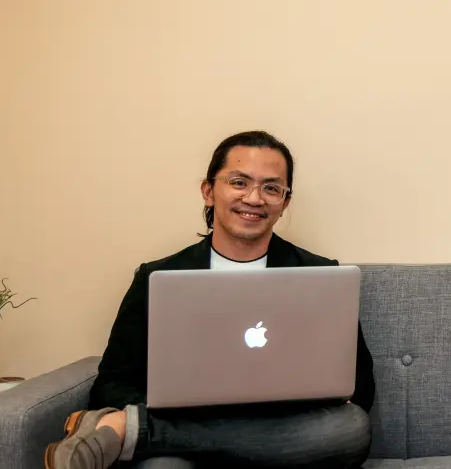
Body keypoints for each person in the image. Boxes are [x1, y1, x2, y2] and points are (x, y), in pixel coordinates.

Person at [45, 131, 375, 469]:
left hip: (289, 435)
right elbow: (111, 384)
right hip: (194, 450)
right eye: (239, 182)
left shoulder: (320, 275)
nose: (255, 198)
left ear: (285, 202)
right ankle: (171, 434)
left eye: (272, 188)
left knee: (350, 427)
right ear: (208, 191)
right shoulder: (158, 278)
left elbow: (361, 387)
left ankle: (136, 432)